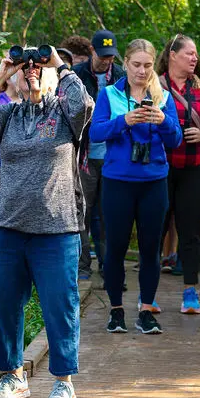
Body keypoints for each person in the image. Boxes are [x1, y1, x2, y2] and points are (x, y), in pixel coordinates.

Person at [0, 48, 93, 398]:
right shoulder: (7, 114)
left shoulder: (63, 113)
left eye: (37, 67)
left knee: (60, 306)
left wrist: (58, 64)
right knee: (5, 304)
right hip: (8, 227)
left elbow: (82, 103)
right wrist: (3, 72)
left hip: (57, 229)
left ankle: (64, 383)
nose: (31, 72)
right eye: (24, 69)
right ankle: (14, 376)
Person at [91, 39, 181, 335]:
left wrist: (163, 120)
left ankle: (146, 310)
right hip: (118, 182)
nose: (142, 71)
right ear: (125, 64)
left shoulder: (164, 97)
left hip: (154, 183)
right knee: (115, 247)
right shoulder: (109, 94)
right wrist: (125, 120)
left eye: (147, 65)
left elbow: (176, 140)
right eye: (136, 65)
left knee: (150, 249)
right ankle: (116, 310)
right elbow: (96, 132)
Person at [156, 34, 200, 315]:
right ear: (172, 55)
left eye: (196, 54)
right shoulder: (154, 86)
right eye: (189, 53)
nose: (195, 58)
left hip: (195, 169)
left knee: (190, 231)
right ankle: (149, 293)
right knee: (156, 229)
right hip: (160, 169)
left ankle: (190, 293)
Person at [72, 30, 126, 281]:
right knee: (81, 212)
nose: (107, 61)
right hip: (84, 156)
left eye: (111, 56)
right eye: (103, 56)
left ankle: (109, 268)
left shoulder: (121, 78)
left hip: (113, 156)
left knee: (110, 215)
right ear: (92, 51)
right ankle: (82, 267)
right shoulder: (77, 75)